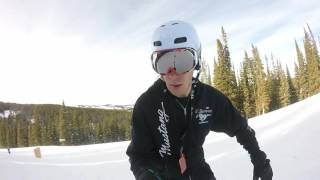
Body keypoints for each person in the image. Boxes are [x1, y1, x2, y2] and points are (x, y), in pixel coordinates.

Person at [126, 20, 273, 180]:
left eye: (182, 61)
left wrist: (258, 157)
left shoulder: (208, 99)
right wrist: (146, 175)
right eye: (164, 63)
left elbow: (240, 128)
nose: (172, 74)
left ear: (196, 62)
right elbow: (138, 155)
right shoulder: (147, 105)